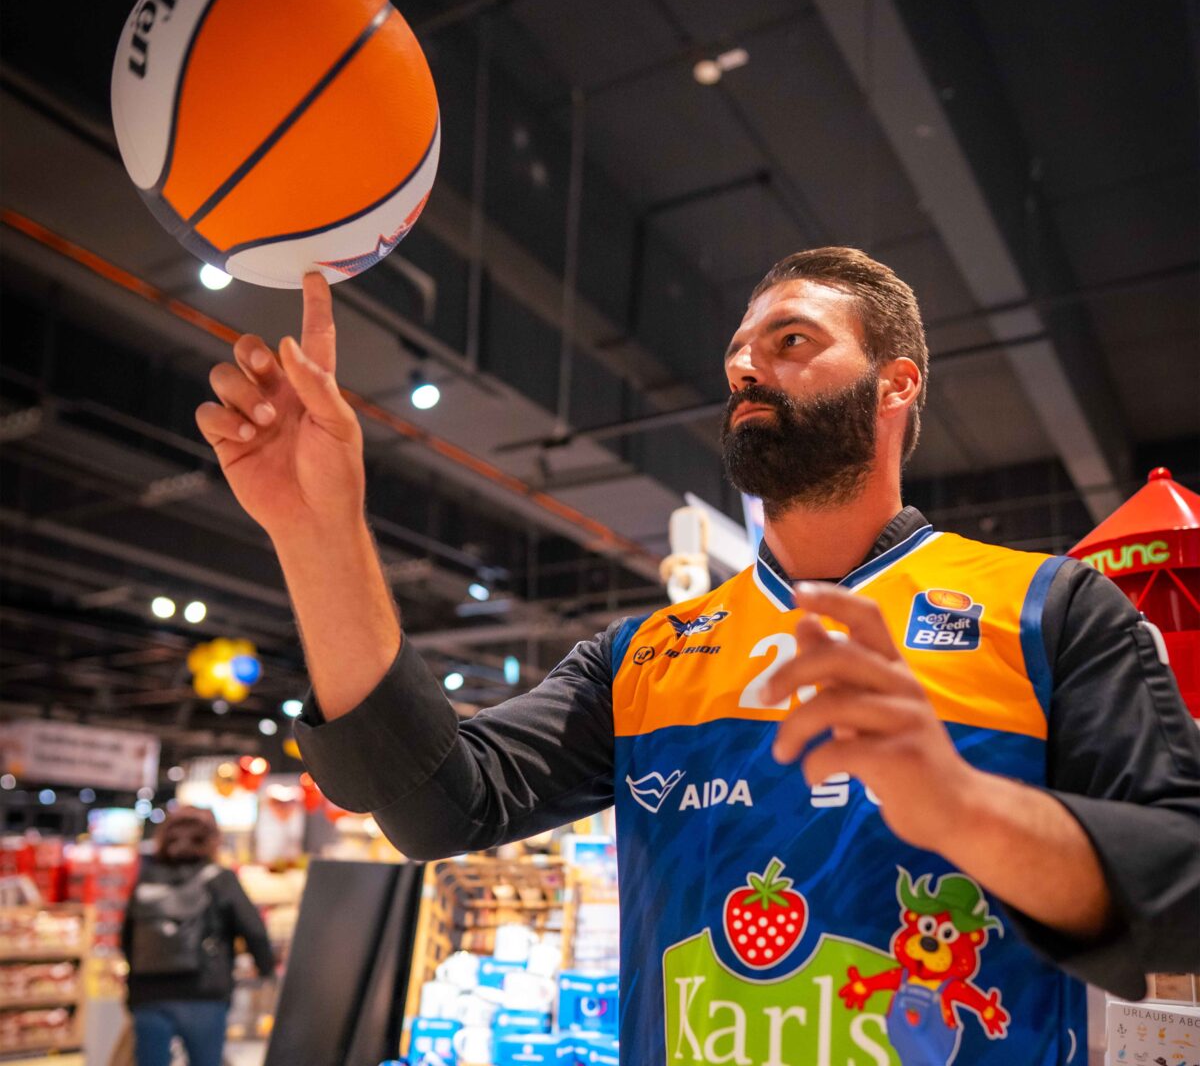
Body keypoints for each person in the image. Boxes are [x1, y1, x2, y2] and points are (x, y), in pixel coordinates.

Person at [197, 247, 1200, 1065]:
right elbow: (433, 802)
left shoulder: (1051, 609)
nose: (746, 368)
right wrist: (318, 532)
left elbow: (1185, 891)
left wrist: (961, 805)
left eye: (792, 339)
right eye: (737, 357)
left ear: (896, 384)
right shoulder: (641, 658)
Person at [121, 806, 275, 1066]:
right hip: (204, 991)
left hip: (149, 993)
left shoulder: (147, 879)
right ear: (212, 840)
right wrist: (266, 970)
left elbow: (126, 939)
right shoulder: (220, 879)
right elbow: (254, 930)